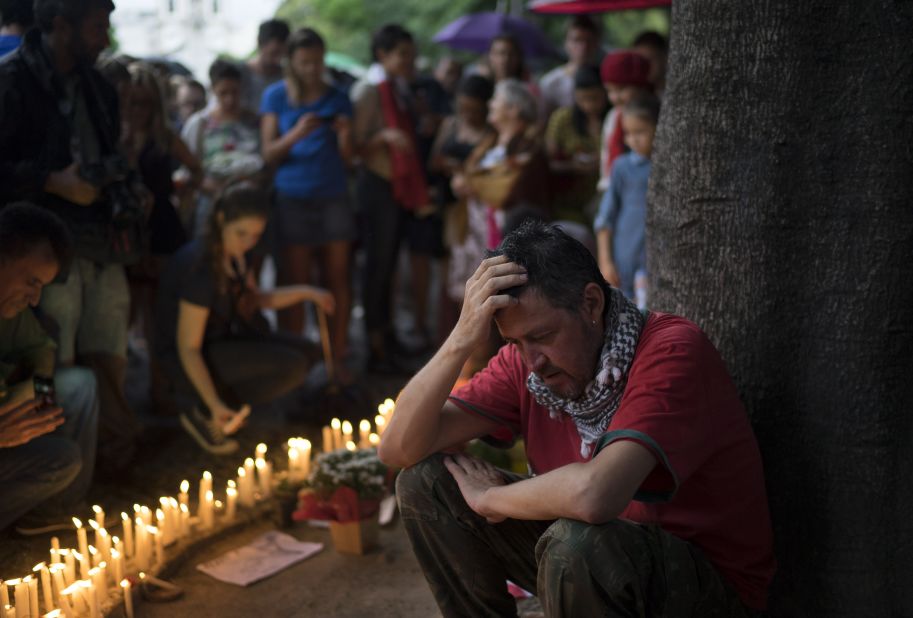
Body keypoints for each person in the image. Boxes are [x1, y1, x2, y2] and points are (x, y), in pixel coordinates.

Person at [380, 220, 776, 617]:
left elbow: (595, 495)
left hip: (703, 590)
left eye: (543, 335)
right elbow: (398, 448)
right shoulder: (527, 366)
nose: (532, 361)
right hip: (591, 560)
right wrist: (460, 340)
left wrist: (490, 499)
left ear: (591, 304)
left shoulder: (673, 351)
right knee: (425, 483)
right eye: (516, 343)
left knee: (578, 544)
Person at [0, 0, 142, 471]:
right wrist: (50, 180)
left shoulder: (97, 84)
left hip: (103, 240)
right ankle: (57, 466)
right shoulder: (12, 79)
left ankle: (112, 464)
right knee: (59, 358)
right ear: (61, 25)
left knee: (110, 350)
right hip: (43, 248)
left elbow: (111, 154)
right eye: (96, 26)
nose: (104, 37)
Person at [154, 182, 334, 454]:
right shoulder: (201, 268)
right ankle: (205, 406)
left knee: (309, 351)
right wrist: (213, 402)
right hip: (187, 357)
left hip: (223, 340)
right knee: (292, 366)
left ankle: (222, 402)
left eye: (255, 235)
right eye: (241, 234)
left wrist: (307, 293)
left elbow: (256, 298)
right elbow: (188, 347)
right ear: (220, 219)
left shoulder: (237, 254)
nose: (249, 242)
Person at [260, 27, 354, 383]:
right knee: (296, 281)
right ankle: (297, 362)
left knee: (337, 279)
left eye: (317, 61)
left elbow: (349, 161)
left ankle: (337, 359)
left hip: (333, 194)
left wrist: (345, 136)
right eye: (305, 62)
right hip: (292, 198)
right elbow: (268, 153)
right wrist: (297, 133)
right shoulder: (275, 96)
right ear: (292, 63)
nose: (313, 69)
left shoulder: (338, 96)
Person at [0, 203, 100, 535]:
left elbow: (40, 347)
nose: (33, 298)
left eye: (42, 286)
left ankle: (52, 513)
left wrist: (37, 392)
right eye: (31, 281)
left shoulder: (8, 309)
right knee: (62, 459)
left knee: (78, 384)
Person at [351, 24, 432, 371]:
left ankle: (387, 338)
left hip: (395, 186)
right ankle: (375, 348)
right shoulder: (369, 90)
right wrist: (384, 136)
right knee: (378, 268)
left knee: (388, 268)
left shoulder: (397, 87)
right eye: (403, 54)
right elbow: (354, 145)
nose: (409, 60)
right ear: (382, 55)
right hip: (376, 184)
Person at [428, 74, 495, 342]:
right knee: (449, 276)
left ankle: (475, 343)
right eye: (463, 107)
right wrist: (451, 168)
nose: (467, 114)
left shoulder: (492, 134)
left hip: (477, 212)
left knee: (472, 274)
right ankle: (448, 336)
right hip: (449, 206)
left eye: (474, 109)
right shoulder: (451, 124)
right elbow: (434, 161)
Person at [181, 59, 264, 237]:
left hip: (251, 204)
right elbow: (189, 169)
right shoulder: (199, 124)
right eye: (223, 93)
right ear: (212, 90)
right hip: (212, 203)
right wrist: (217, 189)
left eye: (235, 92)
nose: (230, 99)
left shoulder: (255, 121)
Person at [594, 94, 658, 306]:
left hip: (654, 263)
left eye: (640, 132)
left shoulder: (666, 168)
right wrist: (605, 261)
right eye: (628, 133)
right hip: (625, 260)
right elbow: (605, 217)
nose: (633, 140)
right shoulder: (623, 167)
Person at [545, 64, 608, 226]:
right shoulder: (562, 119)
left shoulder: (613, 118)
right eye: (583, 99)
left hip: (605, 201)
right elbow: (547, 163)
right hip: (568, 204)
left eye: (595, 98)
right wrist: (572, 166)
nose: (589, 105)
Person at [598, 50, 652, 191]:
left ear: (641, 86)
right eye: (609, 90)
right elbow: (607, 156)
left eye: (621, 89)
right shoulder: (613, 117)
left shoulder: (654, 114)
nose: (615, 97)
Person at [538, 15, 601, 122]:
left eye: (588, 40)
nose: (583, 47)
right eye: (577, 40)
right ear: (566, 43)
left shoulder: (604, 78)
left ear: (596, 43)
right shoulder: (550, 82)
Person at [239, 18, 290, 115]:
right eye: (274, 53)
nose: (279, 59)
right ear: (259, 44)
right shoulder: (239, 74)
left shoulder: (286, 76)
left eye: (283, 54)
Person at [632, 30, 668, 97]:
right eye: (640, 60)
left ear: (664, 58)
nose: (644, 65)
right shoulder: (631, 94)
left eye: (650, 59)